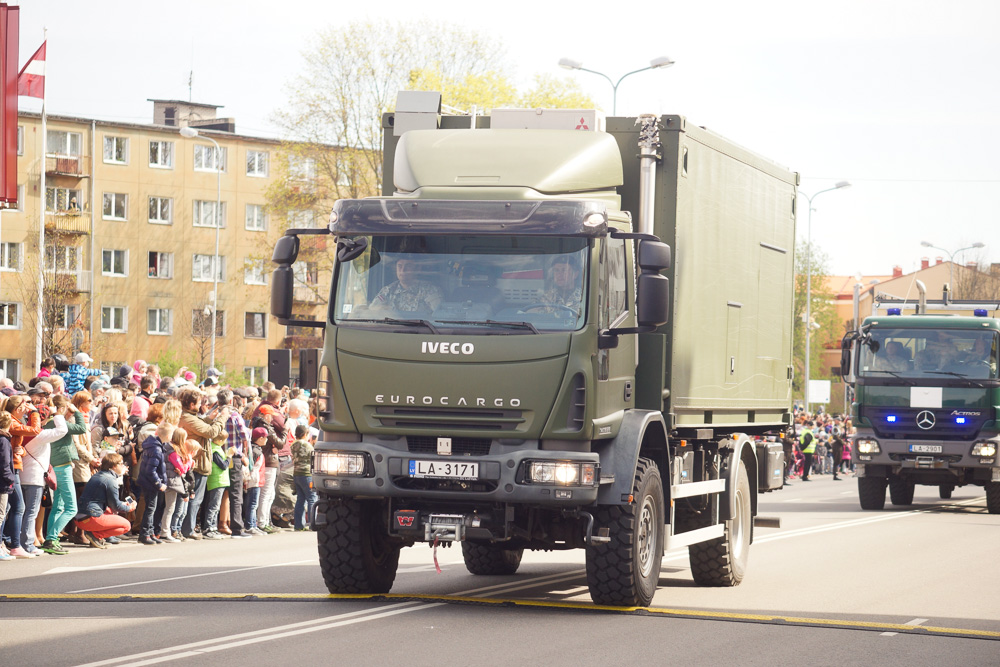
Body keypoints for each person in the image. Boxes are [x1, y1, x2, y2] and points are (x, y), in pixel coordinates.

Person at [177, 388, 229, 539]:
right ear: (192, 404)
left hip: (199, 463)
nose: (201, 406)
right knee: (195, 499)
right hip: (197, 464)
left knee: (196, 499)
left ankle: (188, 528)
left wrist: (209, 418)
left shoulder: (190, 416)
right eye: (199, 403)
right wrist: (222, 418)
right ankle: (188, 529)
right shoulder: (187, 418)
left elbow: (202, 426)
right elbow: (210, 432)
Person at [20, 400, 70, 555]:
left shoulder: (23, 431)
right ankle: (27, 544)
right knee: (31, 512)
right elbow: (62, 430)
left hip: (22, 476)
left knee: (23, 512)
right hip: (34, 478)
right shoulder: (38, 434)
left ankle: (22, 542)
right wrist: (57, 414)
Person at [73, 453, 136, 548]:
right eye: (121, 464)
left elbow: (111, 503)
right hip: (90, 518)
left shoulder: (99, 475)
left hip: (80, 518)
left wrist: (123, 504)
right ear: (114, 466)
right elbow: (116, 506)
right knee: (126, 526)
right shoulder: (110, 480)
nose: (123, 466)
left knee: (110, 511)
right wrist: (129, 508)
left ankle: (94, 536)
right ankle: (96, 535)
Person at [369, 257, 443, 314]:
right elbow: (372, 312)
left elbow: (440, 316)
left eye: (408, 266)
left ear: (417, 269)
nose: (403, 270)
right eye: (399, 266)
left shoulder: (430, 291)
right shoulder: (388, 290)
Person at [290, 424, 316, 531]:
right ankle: (312, 523)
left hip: (297, 473)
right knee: (312, 498)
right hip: (307, 473)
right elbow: (313, 458)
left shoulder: (293, 445)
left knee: (300, 499)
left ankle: (298, 524)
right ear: (305, 434)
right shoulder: (307, 445)